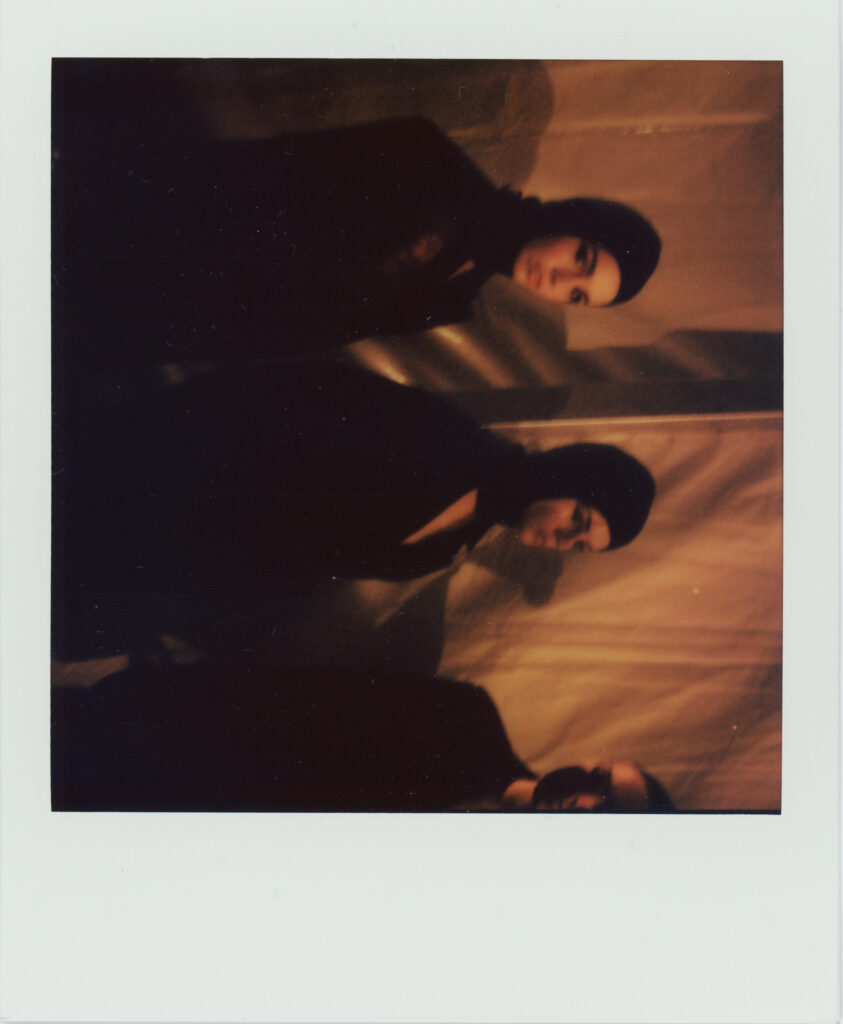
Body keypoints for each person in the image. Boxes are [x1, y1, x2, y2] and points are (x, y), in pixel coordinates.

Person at [54, 116, 661, 374]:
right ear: (573, 221)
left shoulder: (456, 301)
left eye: (577, 296)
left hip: (140, 324)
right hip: (128, 233)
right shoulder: (428, 156)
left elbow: (292, 332)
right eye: (581, 259)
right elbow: (252, 171)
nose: (558, 282)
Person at [54, 361, 655, 603]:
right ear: (569, 474)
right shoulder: (448, 438)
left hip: (164, 547)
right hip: (157, 467)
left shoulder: (450, 547)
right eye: (579, 518)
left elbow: (294, 561)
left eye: (579, 545)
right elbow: (293, 394)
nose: (562, 540)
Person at [51, 662, 674, 812]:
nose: (586, 803)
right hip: (126, 750)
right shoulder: (463, 717)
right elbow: (280, 688)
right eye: (600, 782)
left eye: (609, 813)